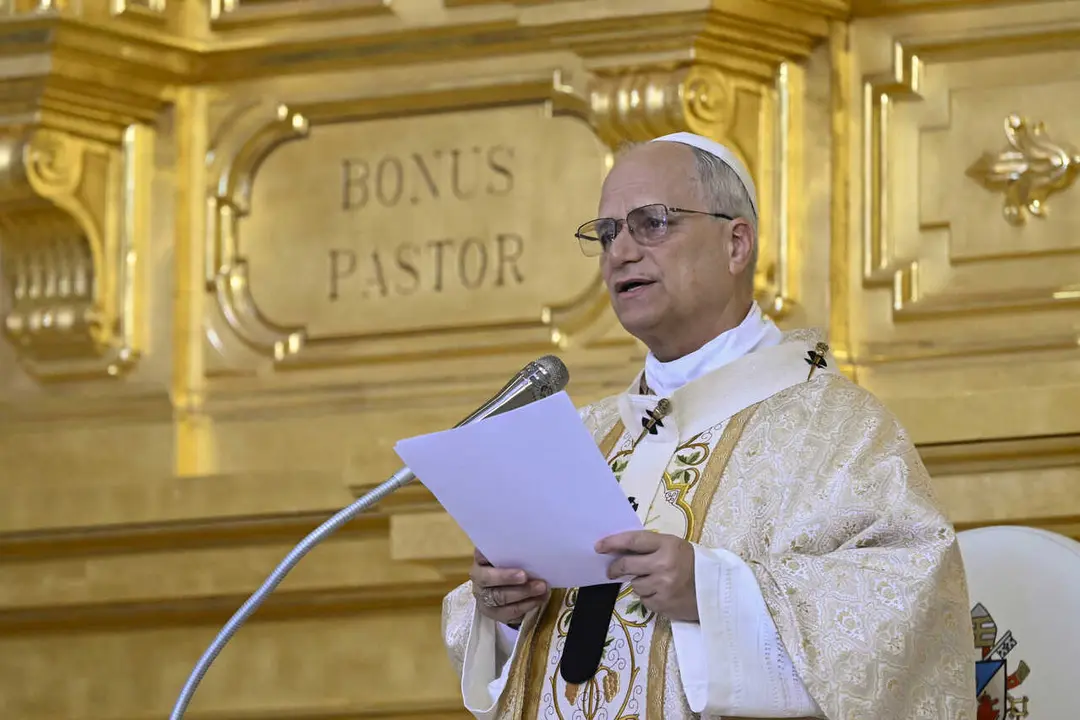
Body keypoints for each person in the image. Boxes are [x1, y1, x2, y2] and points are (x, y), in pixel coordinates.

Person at [440, 132, 976, 719]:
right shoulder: (586, 437)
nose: (620, 252)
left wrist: (715, 594)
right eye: (609, 232)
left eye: (652, 223)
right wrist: (509, 614)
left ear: (736, 243)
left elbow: (907, 616)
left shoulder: (837, 430)